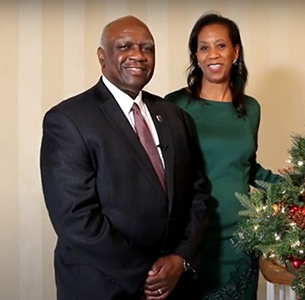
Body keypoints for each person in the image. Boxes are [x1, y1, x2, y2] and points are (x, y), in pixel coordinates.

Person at [40, 16, 209, 300]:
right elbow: (74, 217)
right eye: (125, 46)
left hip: (174, 285)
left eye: (147, 48)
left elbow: (198, 194)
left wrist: (180, 259)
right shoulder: (68, 119)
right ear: (102, 56)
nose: (138, 56)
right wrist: (144, 272)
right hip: (101, 285)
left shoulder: (175, 116)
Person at [165, 12, 280, 300]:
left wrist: (290, 186)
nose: (212, 54)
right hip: (192, 236)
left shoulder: (251, 109)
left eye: (221, 45)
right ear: (196, 55)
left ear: (236, 51)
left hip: (241, 236)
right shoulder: (174, 105)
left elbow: (246, 166)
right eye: (204, 47)